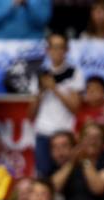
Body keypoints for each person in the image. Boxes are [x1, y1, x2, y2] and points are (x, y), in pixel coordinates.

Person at [28, 33, 83, 178]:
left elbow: (75, 108)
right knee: (43, 175)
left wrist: (54, 88)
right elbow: (31, 114)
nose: (56, 51)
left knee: (68, 175)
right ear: (47, 50)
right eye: (53, 47)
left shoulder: (74, 73)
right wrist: (40, 91)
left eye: (60, 47)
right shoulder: (40, 74)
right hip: (43, 132)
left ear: (67, 50)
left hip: (65, 133)